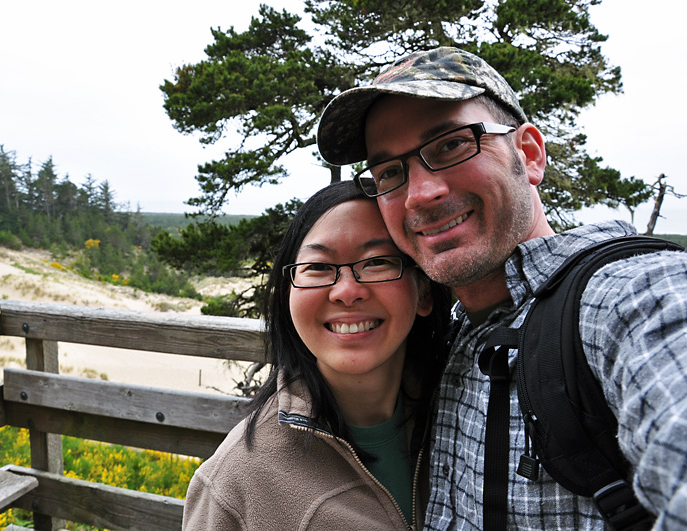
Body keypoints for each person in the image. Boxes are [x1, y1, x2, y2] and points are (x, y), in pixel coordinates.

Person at [316, 46, 687, 529]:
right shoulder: (446, 333)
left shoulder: (632, 297)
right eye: (390, 172)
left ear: (529, 154)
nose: (421, 193)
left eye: (451, 145)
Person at [182, 180, 451, 530]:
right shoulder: (237, 482)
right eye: (319, 267)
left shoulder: (468, 418)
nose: (347, 291)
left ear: (425, 291)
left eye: (378, 262)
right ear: (287, 298)